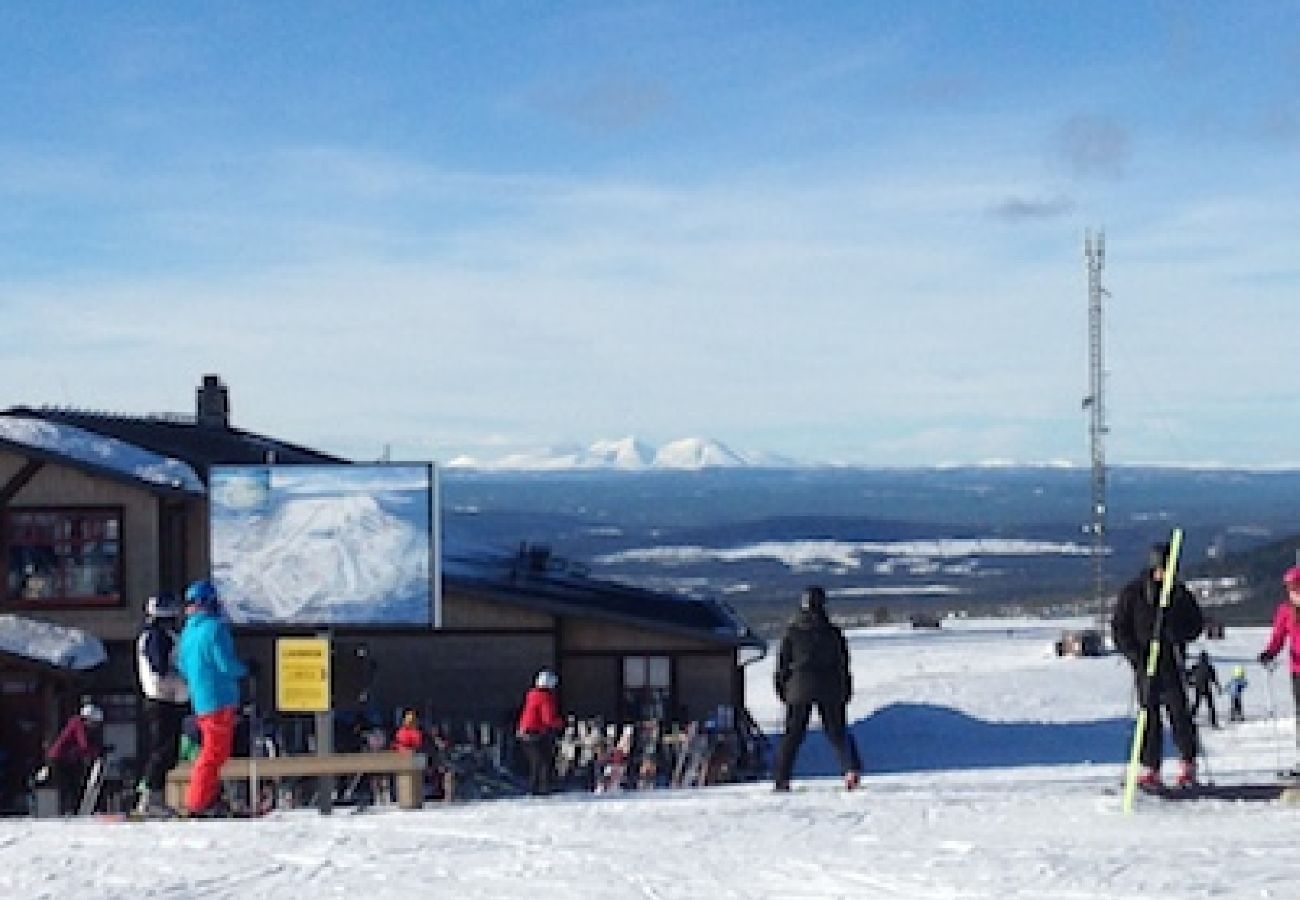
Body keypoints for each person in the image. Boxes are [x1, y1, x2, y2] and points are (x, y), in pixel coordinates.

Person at [1111, 541, 1204, 789]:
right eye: (1164, 568)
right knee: (1148, 715)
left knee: (1179, 713)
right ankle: (1151, 767)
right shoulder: (1134, 593)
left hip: (1171, 660)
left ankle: (1188, 763)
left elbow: (1196, 625)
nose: (1168, 574)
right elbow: (1120, 628)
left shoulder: (1180, 594)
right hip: (1145, 664)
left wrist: (1178, 632)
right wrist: (1134, 654)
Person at [771, 586, 862, 792]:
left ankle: (782, 778)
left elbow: (783, 665)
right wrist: (845, 688)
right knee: (837, 732)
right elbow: (842, 663)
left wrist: (783, 689)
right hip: (830, 686)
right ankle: (851, 770)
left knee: (792, 735)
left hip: (799, 687)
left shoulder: (792, 633)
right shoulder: (833, 633)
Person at [176, 578, 248, 816]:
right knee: (214, 753)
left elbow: (183, 666)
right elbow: (225, 664)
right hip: (219, 697)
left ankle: (208, 798)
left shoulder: (187, 633)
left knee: (214, 751)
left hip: (200, 699)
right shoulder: (215, 628)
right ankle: (198, 802)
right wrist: (245, 669)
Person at [134, 592, 189, 815]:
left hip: (166, 697)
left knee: (168, 750)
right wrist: (181, 673)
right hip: (162, 698)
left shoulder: (158, 635)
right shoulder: (157, 636)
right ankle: (149, 798)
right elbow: (160, 666)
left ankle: (154, 796)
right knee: (162, 750)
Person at [1258, 565, 1300, 775]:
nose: (1295, 592)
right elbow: (1278, 638)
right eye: (1292, 588)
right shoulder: (1285, 611)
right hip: (1297, 671)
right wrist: (1269, 653)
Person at [43, 703, 104, 814]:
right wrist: (95, 752)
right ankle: (67, 809)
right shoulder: (78, 723)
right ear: (87, 719)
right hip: (59, 758)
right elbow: (83, 744)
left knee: (75, 783)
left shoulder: (79, 724)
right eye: (94, 723)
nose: (94, 727)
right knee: (69, 784)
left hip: (69, 758)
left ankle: (73, 808)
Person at [516, 668, 563, 795]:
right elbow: (548, 718)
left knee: (536, 762)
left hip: (524, 732)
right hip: (534, 733)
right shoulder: (545, 697)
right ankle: (542, 788)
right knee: (543, 761)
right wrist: (560, 723)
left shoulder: (532, 694)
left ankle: (534, 788)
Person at [1188, 650, 1221, 729]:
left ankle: (1189, 721)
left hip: (1198, 688)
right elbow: (1214, 679)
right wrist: (1218, 687)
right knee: (1210, 706)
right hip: (1206, 688)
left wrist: (1190, 684)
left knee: (1196, 705)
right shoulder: (1210, 667)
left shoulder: (1195, 666)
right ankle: (1213, 723)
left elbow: (1189, 676)